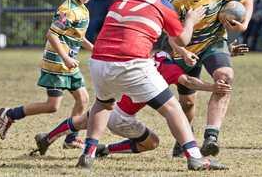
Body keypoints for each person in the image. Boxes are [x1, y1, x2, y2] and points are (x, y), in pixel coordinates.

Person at [76, 0, 227, 171]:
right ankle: (195, 157)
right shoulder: (162, 4)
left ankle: (88, 153)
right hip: (132, 61)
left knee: (103, 103)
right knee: (172, 107)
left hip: (99, 61)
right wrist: (191, 20)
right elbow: (182, 39)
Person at [32, 50, 233, 156]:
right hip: (120, 118)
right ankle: (106, 149)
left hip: (110, 100)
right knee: (152, 142)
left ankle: (47, 138)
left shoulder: (148, 58)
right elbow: (188, 81)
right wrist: (212, 87)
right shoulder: (170, 68)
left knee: (85, 119)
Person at [0, 0, 96, 149]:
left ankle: (71, 139)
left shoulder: (83, 10)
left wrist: (93, 49)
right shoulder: (68, 10)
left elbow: (77, 36)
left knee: (83, 99)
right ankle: (10, 114)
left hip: (69, 63)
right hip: (57, 63)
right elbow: (51, 34)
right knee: (52, 106)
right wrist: (65, 57)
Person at [166, 0, 254, 158]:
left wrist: (245, 24)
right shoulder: (174, 1)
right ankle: (183, 140)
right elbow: (171, 38)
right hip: (185, 50)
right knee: (187, 102)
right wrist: (184, 53)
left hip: (214, 42)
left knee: (225, 77)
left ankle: (211, 137)